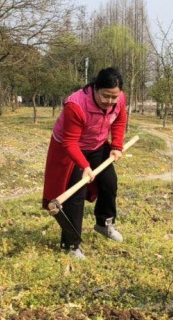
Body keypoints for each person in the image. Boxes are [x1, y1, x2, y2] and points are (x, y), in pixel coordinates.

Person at [42, 67, 128, 259]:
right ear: (95, 88)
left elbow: (120, 120)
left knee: (109, 182)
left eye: (114, 97)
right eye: (106, 96)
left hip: (97, 145)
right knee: (76, 193)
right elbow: (69, 142)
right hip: (71, 149)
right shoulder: (76, 105)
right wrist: (85, 166)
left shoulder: (119, 99)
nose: (110, 101)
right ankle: (71, 244)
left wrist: (116, 145)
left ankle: (104, 223)